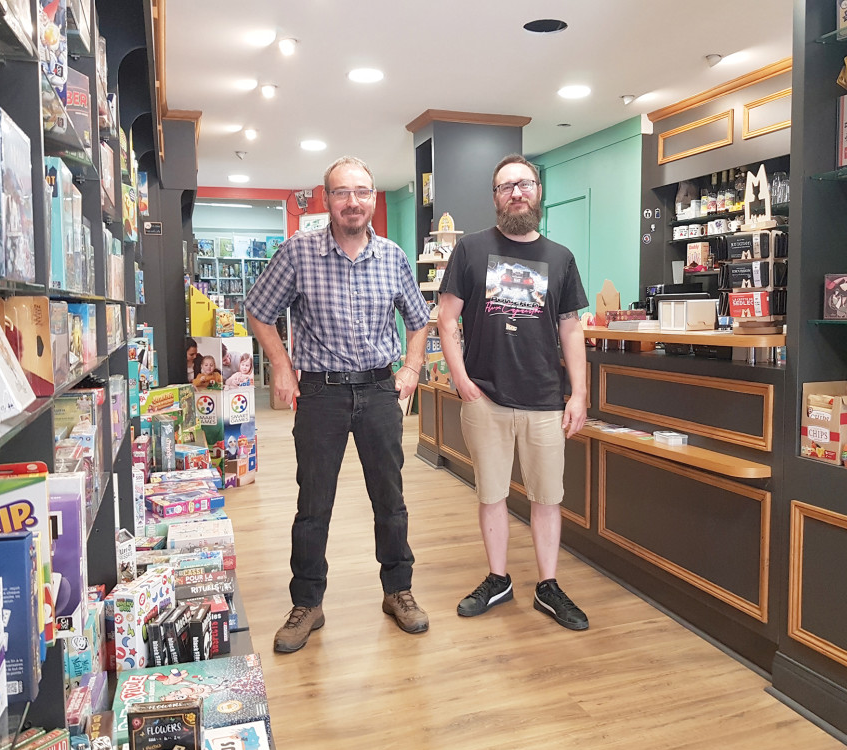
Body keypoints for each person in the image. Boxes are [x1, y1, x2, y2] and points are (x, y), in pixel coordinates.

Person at [246, 155, 431, 653]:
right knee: (314, 505)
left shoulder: (393, 257)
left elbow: (419, 320)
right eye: (343, 192)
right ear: (326, 199)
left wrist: (411, 368)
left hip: (377, 392)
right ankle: (308, 602)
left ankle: (399, 591)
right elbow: (259, 311)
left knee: (389, 500)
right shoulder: (297, 252)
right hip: (321, 393)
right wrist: (282, 367)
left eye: (363, 192)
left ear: (373, 198)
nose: (354, 202)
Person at [437, 153, 590, 631]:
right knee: (491, 495)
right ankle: (498, 578)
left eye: (524, 184)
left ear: (537, 192)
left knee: (547, 497)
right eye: (506, 187)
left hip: (547, 399)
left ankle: (548, 586)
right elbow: (445, 318)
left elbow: (571, 331)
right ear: (496, 198)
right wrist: (461, 379)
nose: (516, 193)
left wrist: (579, 394)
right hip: (487, 396)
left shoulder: (560, 258)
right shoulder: (470, 250)